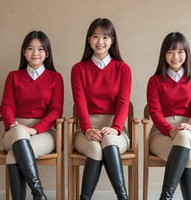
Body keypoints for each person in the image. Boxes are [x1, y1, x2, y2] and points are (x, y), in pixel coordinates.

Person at [71, 18, 131, 200]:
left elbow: (123, 103)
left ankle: (123, 197)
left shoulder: (123, 69)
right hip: (86, 129)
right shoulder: (78, 69)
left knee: (109, 142)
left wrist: (115, 128)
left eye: (105, 37)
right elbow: (79, 103)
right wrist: (87, 129)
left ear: (112, 40)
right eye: (95, 36)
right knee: (95, 149)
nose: (100, 42)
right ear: (89, 40)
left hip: (115, 129)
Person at [0, 31, 64, 200]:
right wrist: (13, 125)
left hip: (44, 133)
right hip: (13, 131)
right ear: (24, 52)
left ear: (47, 53)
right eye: (30, 48)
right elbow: (6, 105)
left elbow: (56, 111)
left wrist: (34, 130)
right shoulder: (13, 77)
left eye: (40, 49)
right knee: (19, 134)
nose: (35, 53)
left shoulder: (55, 78)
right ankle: (39, 193)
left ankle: (37, 194)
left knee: (14, 156)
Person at [147, 32, 191, 200]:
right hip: (160, 134)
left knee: (184, 136)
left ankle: (165, 197)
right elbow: (155, 112)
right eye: (170, 51)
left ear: (186, 54)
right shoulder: (155, 81)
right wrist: (169, 130)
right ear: (164, 54)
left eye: (180, 51)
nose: (175, 56)